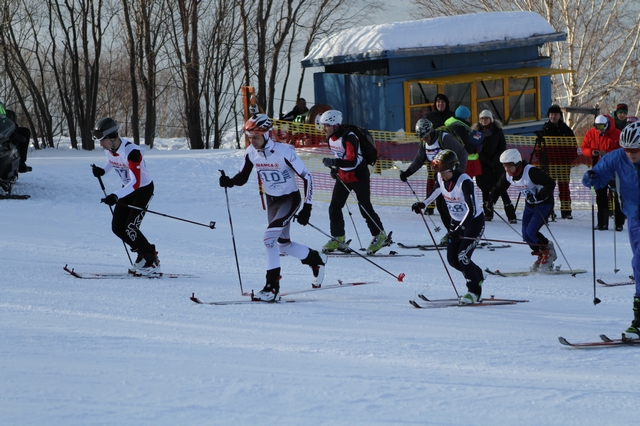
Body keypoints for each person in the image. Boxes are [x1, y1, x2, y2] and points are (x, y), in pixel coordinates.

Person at [219, 114, 326, 301]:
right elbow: (243, 177)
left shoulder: (284, 151)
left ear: (267, 134)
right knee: (282, 245)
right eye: (250, 137)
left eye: (256, 137)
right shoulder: (251, 152)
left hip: (289, 199)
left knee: (268, 239)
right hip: (272, 201)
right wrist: (229, 181)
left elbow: (307, 177)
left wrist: (307, 207)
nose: (252, 141)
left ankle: (272, 287)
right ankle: (316, 259)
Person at [582, 122, 640, 339]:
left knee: (639, 263)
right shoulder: (617, 157)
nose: (630, 154)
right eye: (627, 149)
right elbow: (598, 173)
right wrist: (592, 178)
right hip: (634, 217)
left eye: (634, 150)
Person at [410, 149, 486, 304]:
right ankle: (477, 274)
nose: (441, 175)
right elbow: (437, 190)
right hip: (456, 222)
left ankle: (474, 291)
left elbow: (471, 210)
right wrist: (423, 204)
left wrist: (460, 230)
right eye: (439, 172)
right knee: (453, 260)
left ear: (452, 168)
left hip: (473, 223)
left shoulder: (464, 182)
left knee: (463, 256)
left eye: (444, 172)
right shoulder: (441, 177)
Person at [91, 117, 160, 276]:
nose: (100, 144)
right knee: (117, 227)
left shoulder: (132, 152)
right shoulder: (110, 149)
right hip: (127, 190)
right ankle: (142, 254)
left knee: (131, 226)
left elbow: (135, 183)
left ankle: (152, 259)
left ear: (112, 138)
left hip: (142, 189)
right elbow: (112, 161)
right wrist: (103, 171)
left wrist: (115, 196)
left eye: (102, 140)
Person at [319, 109, 390, 255]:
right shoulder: (331, 139)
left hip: (359, 176)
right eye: (323, 125)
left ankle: (380, 235)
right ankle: (338, 238)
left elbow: (352, 161)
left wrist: (334, 162)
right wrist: (336, 168)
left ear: (335, 125)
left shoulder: (349, 137)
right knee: (334, 207)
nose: (323, 128)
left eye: (326, 125)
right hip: (344, 177)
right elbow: (341, 156)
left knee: (365, 208)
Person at [487, 149, 557, 271]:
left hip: (544, 204)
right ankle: (540, 254)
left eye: (510, 167)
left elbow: (550, 183)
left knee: (531, 232)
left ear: (517, 164)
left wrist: (539, 195)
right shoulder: (508, 176)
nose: (507, 170)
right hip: (530, 206)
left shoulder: (531, 172)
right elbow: (498, 188)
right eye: (505, 167)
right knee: (526, 235)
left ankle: (548, 251)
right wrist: (490, 200)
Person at [399, 118, 468, 236]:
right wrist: (407, 173)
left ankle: (463, 231)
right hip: (441, 177)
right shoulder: (424, 143)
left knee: (450, 206)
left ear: (430, 131)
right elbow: (419, 160)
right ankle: (451, 233)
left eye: (426, 136)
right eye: (422, 137)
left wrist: (458, 173)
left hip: (453, 175)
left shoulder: (445, 138)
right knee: (441, 206)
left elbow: (463, 154)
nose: (424, 139)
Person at [581, 114, 624, 231]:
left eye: (602, 128)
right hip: (598, 169)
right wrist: (591, 152)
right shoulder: (591, 133)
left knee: (616, 195)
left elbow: (622, 150)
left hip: (614, 169)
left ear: (607, 125)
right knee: (600, 196)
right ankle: (602, 223)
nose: (600, 131)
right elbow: (584, 147)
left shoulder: (617, 133)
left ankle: (619, 223)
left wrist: (607, 153)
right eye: (597, 128)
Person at [472, 109, 517, 223]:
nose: (484, 120)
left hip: (497, 165)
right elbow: (475, 148)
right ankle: (488, 214)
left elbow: (502, 146)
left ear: (490, 119)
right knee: (485, 190)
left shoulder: (497, 131)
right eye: (482, 118)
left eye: (486, 118)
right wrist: (486, 160)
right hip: (483, 165)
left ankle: (511, 215)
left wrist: (495, 160)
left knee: (501, 189)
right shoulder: (477, 132)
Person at [538, 104, 578, 219]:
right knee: (548, 189)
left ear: (560, 116)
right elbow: (538, 149)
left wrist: (568, 160)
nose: (553, 117)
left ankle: (566, 212)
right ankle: (548, 210)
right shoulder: (544, 130)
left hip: (563, 165)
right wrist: (543, 162)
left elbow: (573, 147)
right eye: (551, 114)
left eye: (555, 114)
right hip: (548, 165)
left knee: (564, 188)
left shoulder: (566, 130)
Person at [0, 102, 31, 173]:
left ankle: (20, 161)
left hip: (2, 127)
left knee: (22, 132)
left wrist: (10, 123)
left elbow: (3, 115)